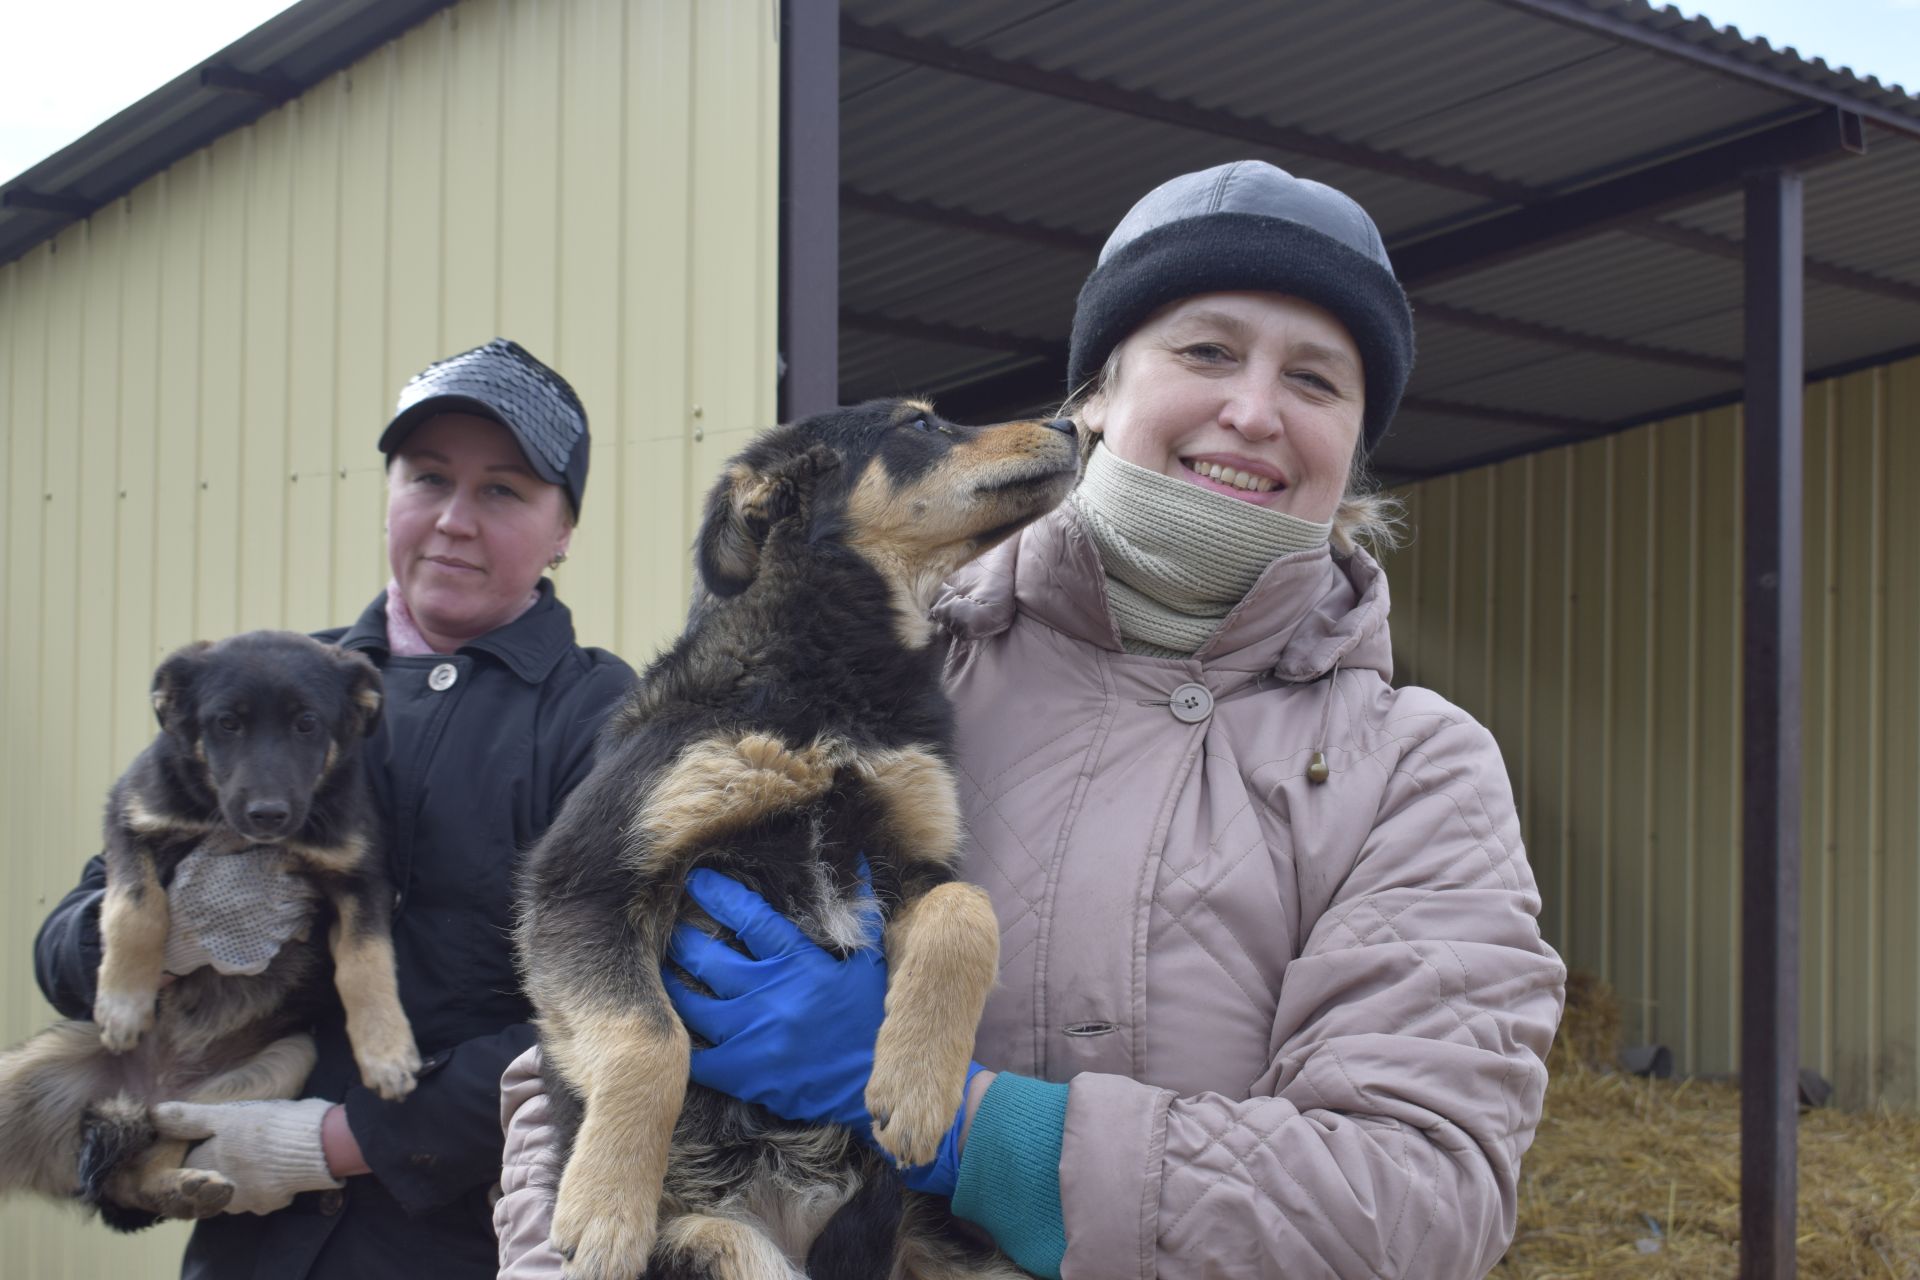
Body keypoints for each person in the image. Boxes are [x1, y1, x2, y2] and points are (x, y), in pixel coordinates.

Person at [496, 161, 1566, 1278]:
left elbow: (1419, 1200)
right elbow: (557, 1063)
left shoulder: (1414, 769)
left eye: (1316, 378)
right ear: (1096, 393)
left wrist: (979, 1127)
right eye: (1205, 351)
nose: (1253, 410)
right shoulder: (888, 664)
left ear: (1355, 437)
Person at [35, 338, 636, 1279]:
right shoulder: (266, 679)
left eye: (503, 492)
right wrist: (175, 927)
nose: (452, 521)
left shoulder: (599, 719)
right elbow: (67, 945)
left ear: (566, 529)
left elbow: (615, 1015)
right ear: (389, 490)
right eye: (427, 478)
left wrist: (341, 1142)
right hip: (252, 1248)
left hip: (467, 1237)